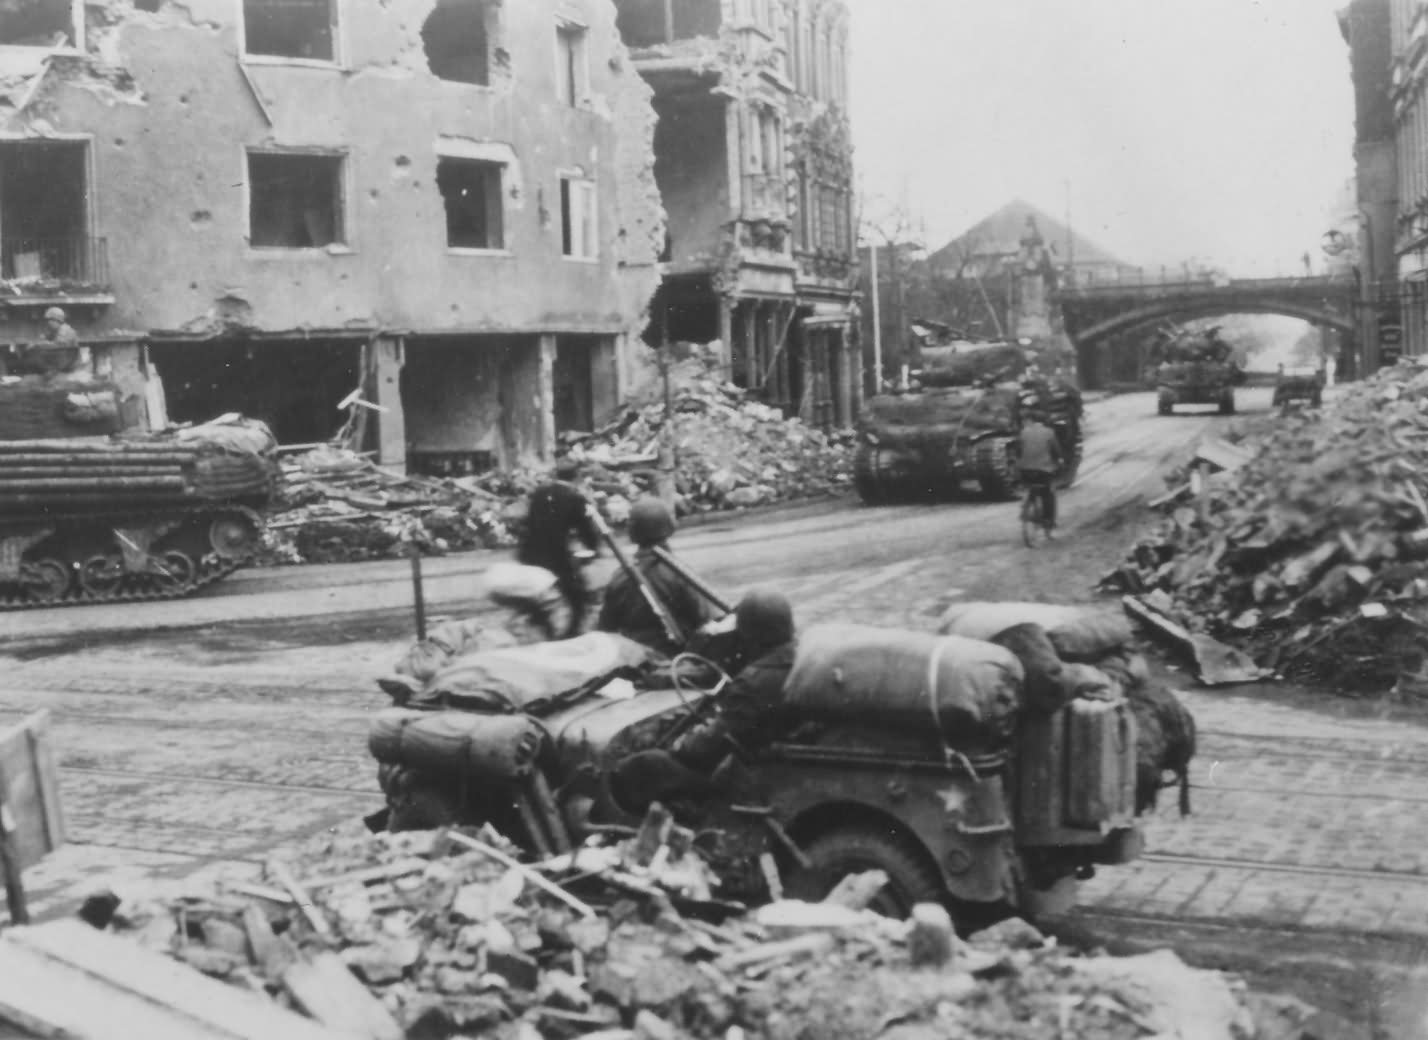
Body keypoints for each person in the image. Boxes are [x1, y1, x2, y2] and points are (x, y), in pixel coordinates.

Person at [611, 587, 799, 808]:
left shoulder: (752, 682)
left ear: (750, 633)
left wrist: (682, 742)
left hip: (748, 773)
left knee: (645, 764)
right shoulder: (800, 656)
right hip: (780, 756)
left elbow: (702, 750)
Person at [596, 497, 715, 655]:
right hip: (676, 657)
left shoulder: (619, 576)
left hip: (635, 657)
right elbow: (705, 620)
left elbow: (606, 627)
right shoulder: (678, 572)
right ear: (669, 527)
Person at [516, 457, 601, 638]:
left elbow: (526, 522)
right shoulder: (574, 497)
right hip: (557, 557)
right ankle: (570, 635)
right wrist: (593, 549)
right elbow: (586, 529)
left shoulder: (540, 492)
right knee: (578, 597)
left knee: (537, 598)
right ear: (577, 476)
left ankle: (543, 627)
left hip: (529, 554)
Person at [1017, 409, 1063, 530]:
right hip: (1043, 471)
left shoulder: (1024, 432)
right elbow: (1056, 451)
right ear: (1045, 421)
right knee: (1048, 493)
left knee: (1030, 485)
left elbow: (1019, 451)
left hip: (1025, 471)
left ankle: (1028, 503)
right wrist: (1059, 461)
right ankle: (1048, 520)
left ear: (1032, 420)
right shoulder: (1049, 432)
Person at [14, 306, 89, 379]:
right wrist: (37, 343)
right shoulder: (53, 331)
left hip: (70, 363)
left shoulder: (65, 330)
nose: (48, 323)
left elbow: (58, 345)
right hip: (64, 361)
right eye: (48, 321)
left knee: (46, 351)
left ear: (57, 320)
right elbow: (44, 339)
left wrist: (38, 345)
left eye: (50, 320)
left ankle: (51, 371)